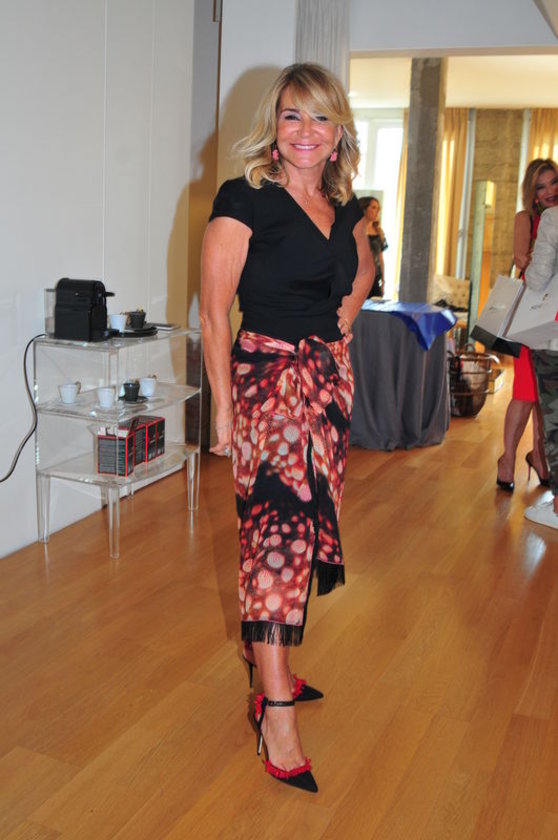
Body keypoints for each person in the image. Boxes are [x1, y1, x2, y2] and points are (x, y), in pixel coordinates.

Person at [199, 63, 373, 793]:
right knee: (277, 540)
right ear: (274, 126)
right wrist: (223, 410)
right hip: (266, 386)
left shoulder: (346, 206)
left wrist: (345, 321)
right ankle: (275, 712)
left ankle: (267, 658)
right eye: (293, 115)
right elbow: (213, 313)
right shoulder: (244, 198)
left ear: (339, 133)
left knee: (306, 533)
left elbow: (362, 271)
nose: (307, 131)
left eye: (321, 117)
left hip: (325, 389)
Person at [496, 158, 558, 492]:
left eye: (553, 182)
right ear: (532, 193)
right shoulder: (527, 218)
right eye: (541, 186)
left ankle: (541, 456)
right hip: (532, 309)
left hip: (556, 308)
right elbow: (521, 259)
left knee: (548, 392)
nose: (549, 191)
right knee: (525, 391)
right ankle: (507, 459)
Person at [523, 202, 558, 527]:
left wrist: (530, 261)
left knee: (555, 422)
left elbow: (537, 278)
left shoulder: (553, 218)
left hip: (554, 338)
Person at [358, 195, 386, 297]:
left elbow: (380, 258)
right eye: (374, 208)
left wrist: (383, 280)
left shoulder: (379, 232)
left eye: (378, 208)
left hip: (374, 278)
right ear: (364, 209)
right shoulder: (354, 231)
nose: (377, 211)